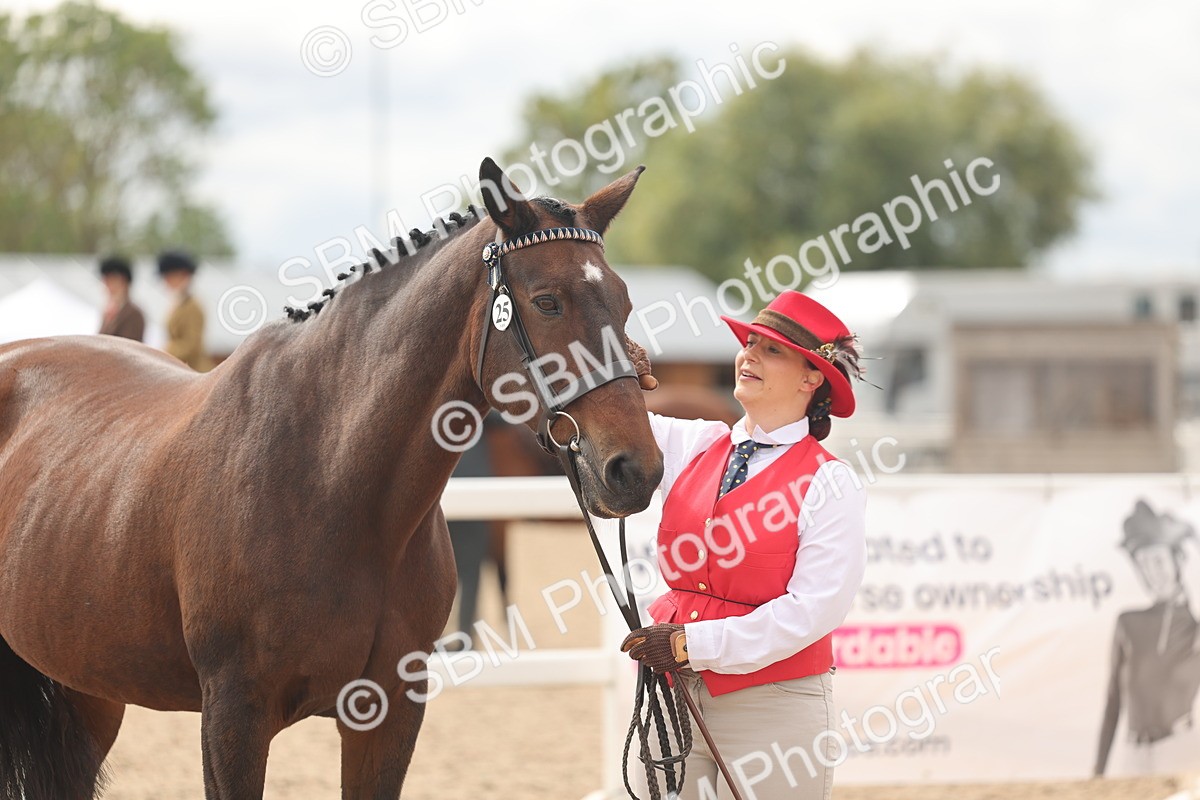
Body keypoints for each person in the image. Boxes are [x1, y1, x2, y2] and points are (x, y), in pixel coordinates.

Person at [620, 291, 868, 800]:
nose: (748, 355)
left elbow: (813, 610)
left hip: (774, 703)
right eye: (749, 343)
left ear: (811, 377)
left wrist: (694, 645)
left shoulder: (830, 482)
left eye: (771, 350)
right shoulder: (693, 443)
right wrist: (611, 375)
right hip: (673, 696)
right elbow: (593, 425)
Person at [1094, 499, 1200, 777]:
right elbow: (1113, 700)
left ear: (1177, 559)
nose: (1153, 571)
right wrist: (1098, 772)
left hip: (1180, 750)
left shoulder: (1194, 628)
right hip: (1134, 756)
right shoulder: (1129, 623)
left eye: (1158, 560)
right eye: (1143, 563)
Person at [157, 249, 213, 372]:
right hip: (179, 368)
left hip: (194, 371)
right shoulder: (178, 304)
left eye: (170, 276)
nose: (166, 281)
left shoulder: (193, 307)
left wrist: (162, 350)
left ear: (183, 275)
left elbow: (192, 346)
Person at [97, 255, 146, 341]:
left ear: (125, 283)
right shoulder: (108, 312)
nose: (109, 286)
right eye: (107, 281)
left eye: (113, 281)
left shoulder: (134, 313)